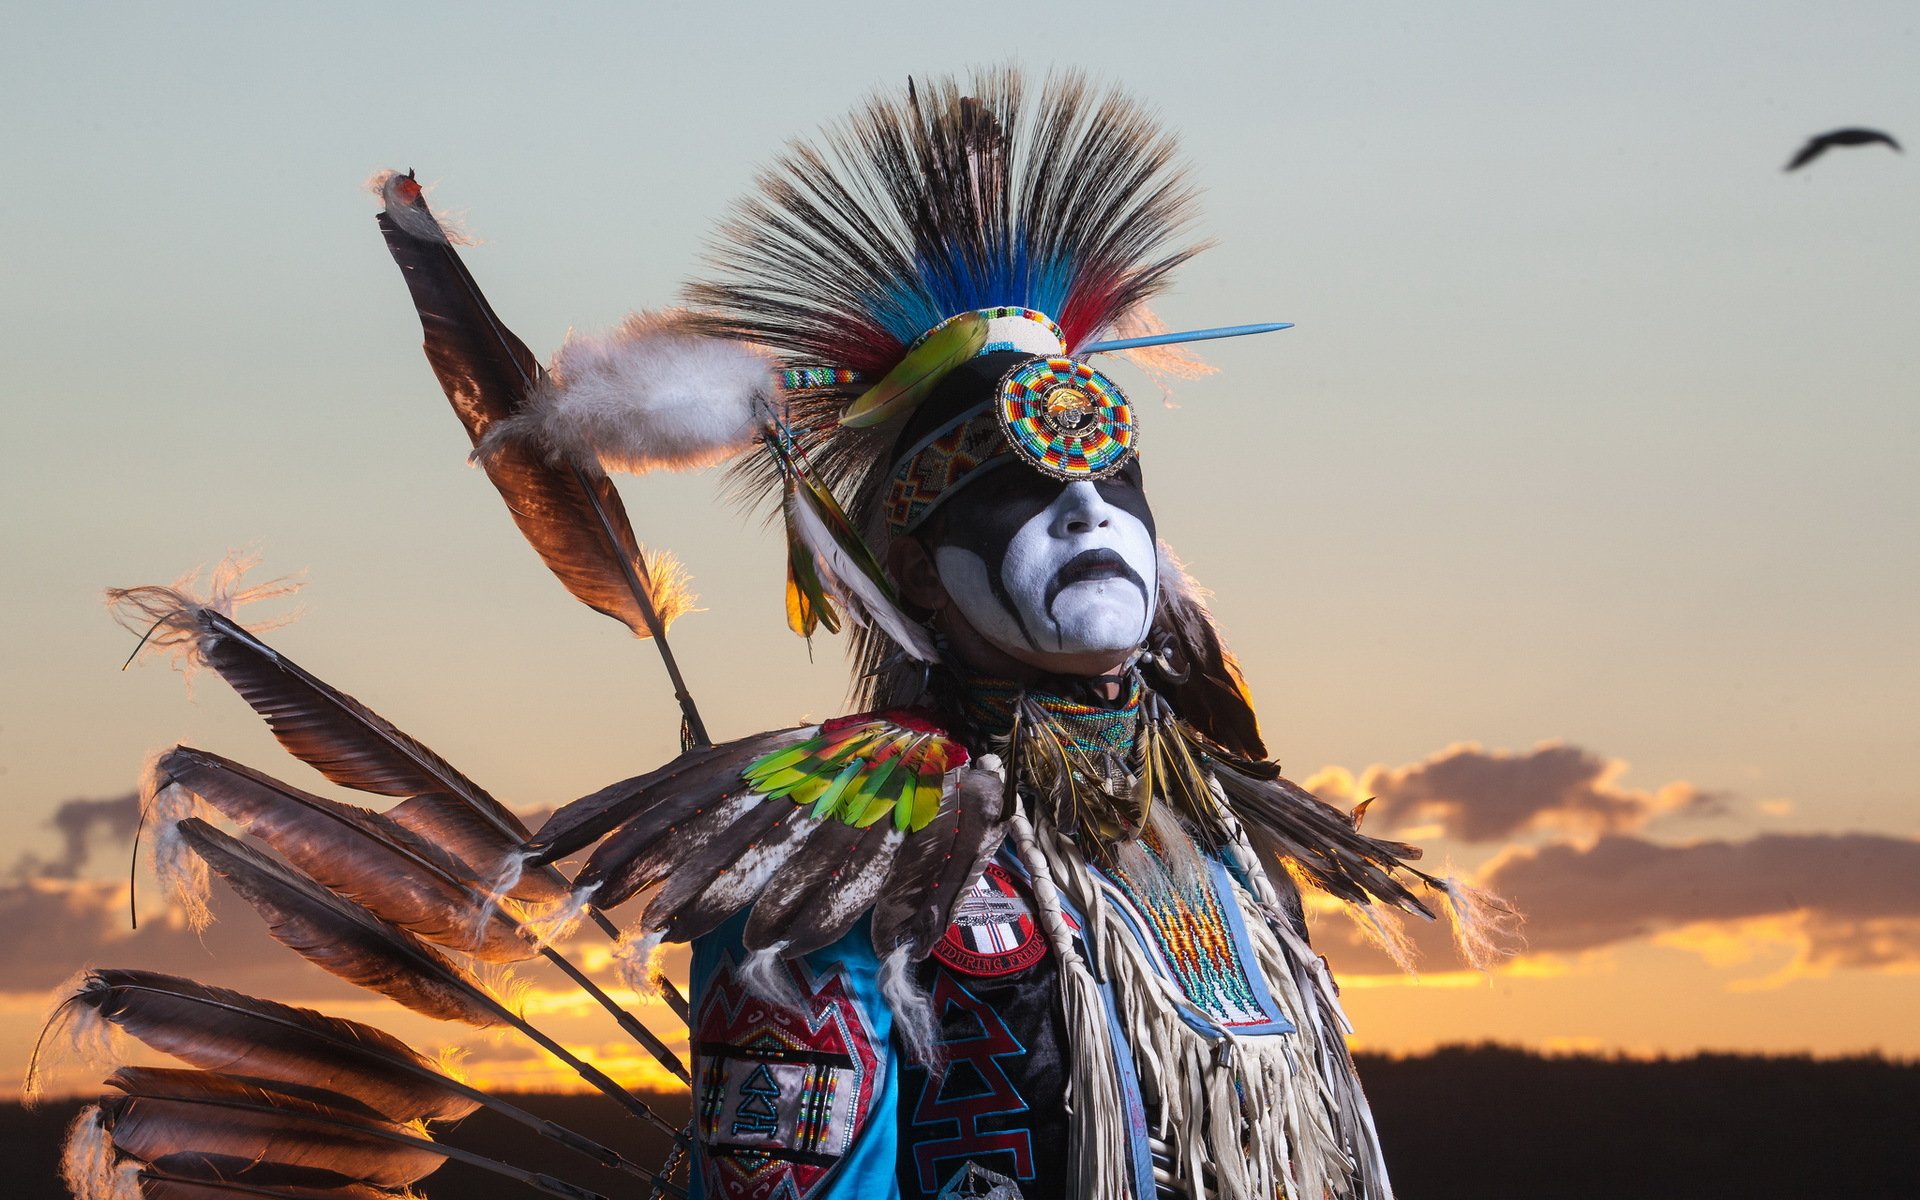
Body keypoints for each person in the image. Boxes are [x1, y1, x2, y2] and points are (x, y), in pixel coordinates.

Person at [49, 69, 1509, 1200]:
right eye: (1014, 494)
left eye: (1110, 485)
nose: (1082, 520)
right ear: (913, 579)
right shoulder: (844, 837)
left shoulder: (1233, 830)